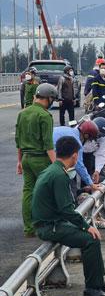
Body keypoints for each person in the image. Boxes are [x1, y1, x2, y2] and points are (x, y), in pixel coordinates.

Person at [32, 136, 105, 296]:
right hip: (50, 226)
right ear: (75, 155)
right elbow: (66, 210)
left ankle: (97, 281)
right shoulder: (59, 175)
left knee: (91, 237)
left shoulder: (52, 170)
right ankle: (92, 287)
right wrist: (86, 226)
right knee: (90, 239)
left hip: (50, 222)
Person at [15, 84, 58, 237]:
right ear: (49, 98)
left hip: (26, 158)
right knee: (46, 192)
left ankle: (29, 228)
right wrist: (57, 165)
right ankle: (46, 226)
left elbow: (18, 140)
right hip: (40, 159)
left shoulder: (23, 113)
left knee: (28, 192)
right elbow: (48, 145)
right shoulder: (45, 116)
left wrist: (19, 161)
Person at [53, 121, 102, 191]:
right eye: (89, 139)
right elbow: (79, 165)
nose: (88, 141)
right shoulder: (76, 142)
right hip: (45, 156)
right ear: (86, 135)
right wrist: (91, 184)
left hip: (39, 151)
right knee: (69, 186)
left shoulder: (68, 130)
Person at [83, 117, 105, 183]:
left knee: (87, 175)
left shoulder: (104, 136)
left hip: (89, 153)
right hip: (76, 151)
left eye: (101, 135)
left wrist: (97, 171)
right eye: (98, 134)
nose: (99, 136)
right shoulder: (84, 129)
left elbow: (101, 154)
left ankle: (86, 191)